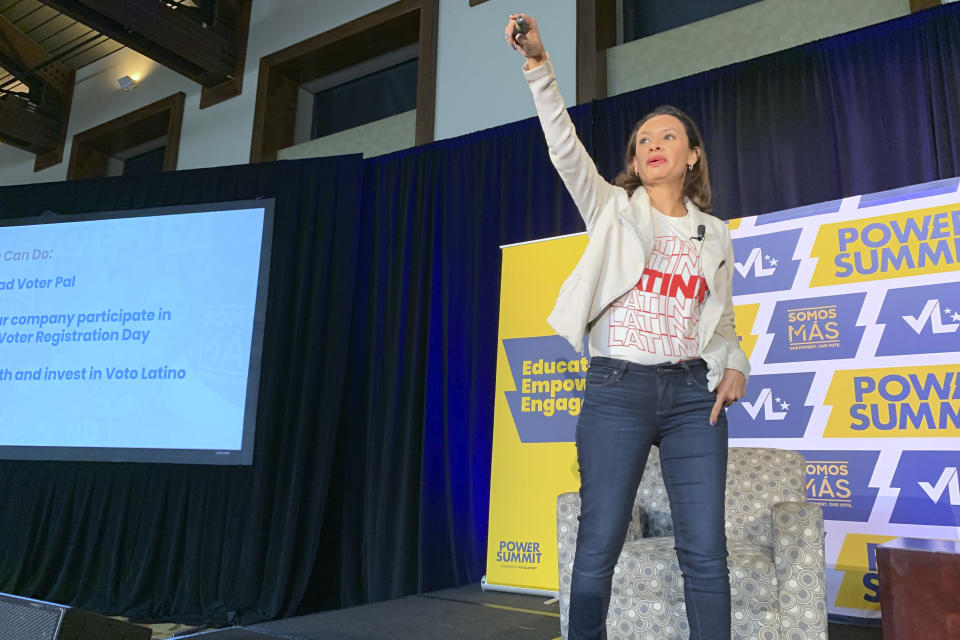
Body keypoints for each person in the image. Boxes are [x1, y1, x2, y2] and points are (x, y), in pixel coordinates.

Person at [504, 13, 750, 640]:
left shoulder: (714, 232)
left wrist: (736, 363)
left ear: (692, 155)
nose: (653, 145)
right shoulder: (612, 209)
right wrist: (539, 66)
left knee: (705, 552)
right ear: (636, 163)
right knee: (598, 547)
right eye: (643, 141)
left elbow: (718, 318)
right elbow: (564, 147)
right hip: (618, 389)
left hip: (693, 397)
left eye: (668, 137)